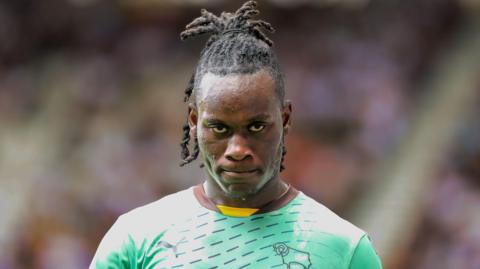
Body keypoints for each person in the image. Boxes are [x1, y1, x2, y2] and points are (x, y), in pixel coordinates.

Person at [89, 1, 383, 268]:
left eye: (256, 127)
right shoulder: (136, 239)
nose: (238, 148)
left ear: (285, 119)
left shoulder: (344, 249)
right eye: (220, 128)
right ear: (194, 121)